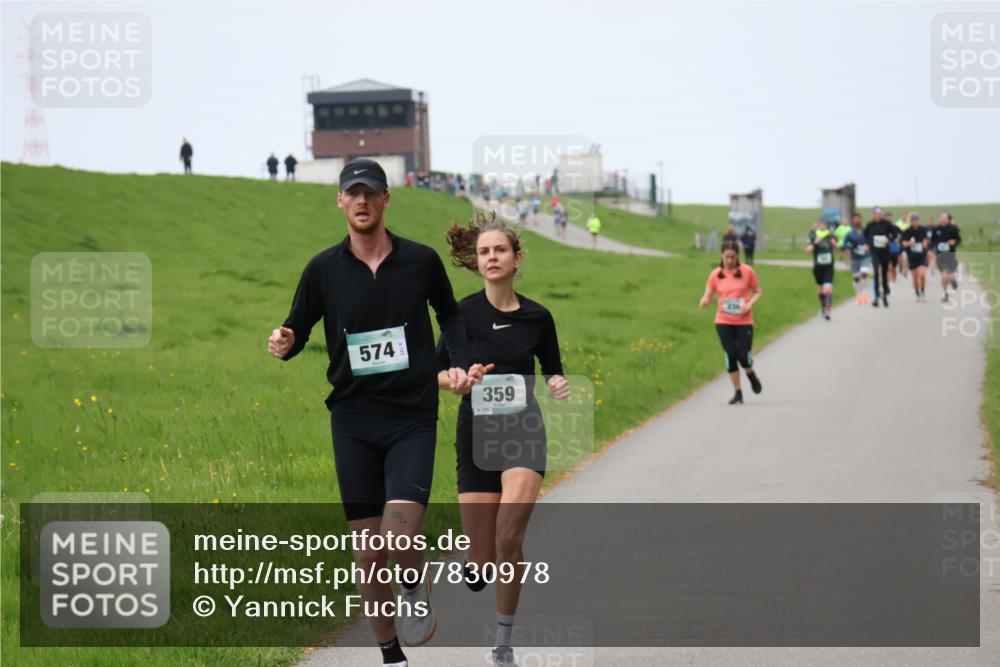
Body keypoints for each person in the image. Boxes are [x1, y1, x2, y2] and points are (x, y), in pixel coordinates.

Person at [268, 158, 481, 667]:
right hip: (353, 418)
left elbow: (448, 314)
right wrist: (286, 339)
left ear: (387, 199)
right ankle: (391, 655)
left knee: (400, 533)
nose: (361, 201)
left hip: (410, 415)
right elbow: (298, 325)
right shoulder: (323, 269)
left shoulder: (421, 261)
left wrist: (459, 363)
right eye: (352, 193)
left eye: (370, 192)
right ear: (340, 201)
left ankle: (412, 581)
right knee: (367, 551)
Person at [437, 212, 569, 667]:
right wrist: (457, 379)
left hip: (523, 434)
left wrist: (555, 383)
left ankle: (503, 643)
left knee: (508, 537)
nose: (492, 257)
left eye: (499, 250)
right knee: (483, 559)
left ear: (516, 258)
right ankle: (476, 563)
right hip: (476, 435)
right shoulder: (462, 316)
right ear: (476, 262)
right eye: (484, 252)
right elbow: (435, 372)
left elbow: (552, 367)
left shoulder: (538, 316)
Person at [699, 239, 763, 404]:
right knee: (730, 355)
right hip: (723, 321)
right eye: (727, 257)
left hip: (744, 321)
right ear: (722, 256)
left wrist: (749, 304)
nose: (729, 260)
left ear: (737, 256)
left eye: (733, 257)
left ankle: (751, 374)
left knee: (743, 356)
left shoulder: (747, 271)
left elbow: (758, 291)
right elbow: (708, 294)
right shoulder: (715, 274)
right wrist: (705, 301)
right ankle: (738, 393)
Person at [864, 206, 899, 308]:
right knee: (876, 272)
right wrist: (867, 244)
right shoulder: (870, 225)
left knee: (883, 274)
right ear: (872, 214)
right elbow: (865, 236)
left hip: (884, 252)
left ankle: (884, 295)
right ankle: (876, 297)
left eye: (879, 213)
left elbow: (895, 234)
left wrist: (888, 239)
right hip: (874, 252)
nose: (877, 215)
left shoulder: (887, 224)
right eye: (875, 213)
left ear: (881, 214)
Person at [805, 219, 838, 320]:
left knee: (827, 288)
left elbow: (839, 248)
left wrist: (835, 244)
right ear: (817, 225)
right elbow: (807, 250)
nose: (822, 226)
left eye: (824, 224)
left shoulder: (831, 235)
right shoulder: (813, 235)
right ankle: (823, 307)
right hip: (818, 267)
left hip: (829, 266)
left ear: (826, 226)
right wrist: (815, 243)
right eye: (820, 224)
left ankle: (828, 310)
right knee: (820, 289)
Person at [840, 213, 873, 304]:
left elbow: (871, 240)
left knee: (864, 272)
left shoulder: (866, 231)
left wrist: (868, 245)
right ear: (853, 221)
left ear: (861, 220)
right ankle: (858, 295)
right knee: (856, 277)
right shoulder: (850, 234)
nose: (857, 221)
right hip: (854, 257)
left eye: (858, 219)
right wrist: (847, 250)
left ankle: (865, 293)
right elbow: (844, 245)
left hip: (865, 256)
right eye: (855, 219)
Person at [931, 211, 962, 302]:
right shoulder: (936, 229)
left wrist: (954, 242)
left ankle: (953, 281)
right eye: (941, 218)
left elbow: (959, 239)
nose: (943, 220)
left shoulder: (953, 228)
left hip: (950, 255)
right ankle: (945, 294)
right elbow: (932, 241)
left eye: (945, 219)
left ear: (948, 220)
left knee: (950, 275)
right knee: (943, 276)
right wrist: (932, 249)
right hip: (940, 256)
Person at [901, 213, 929, 301]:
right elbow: (903, 243)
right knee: (915, 278)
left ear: (918, 221)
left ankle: (923, 292)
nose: (914, 222)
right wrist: (909, 243)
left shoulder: (923, 230)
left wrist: (925, 242)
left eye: (916, 220)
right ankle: (917, 294)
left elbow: (927, 239)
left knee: (922, 274)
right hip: (912, 256)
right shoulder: (907, 231)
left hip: (922, 256)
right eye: (913, 221)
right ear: (910, 222)